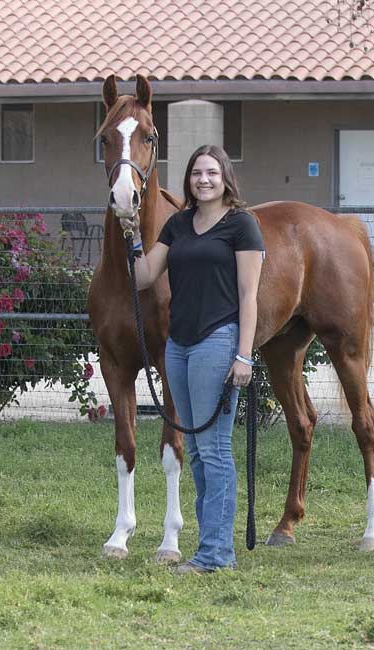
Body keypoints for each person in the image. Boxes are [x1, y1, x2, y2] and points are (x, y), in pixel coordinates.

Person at [120, 144, 264, 574]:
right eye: (197, 173)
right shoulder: (179, 224)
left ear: (226, 179)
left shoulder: (242, 226)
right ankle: (211, 547)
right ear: (188, 179)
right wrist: (130, 235)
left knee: (215, 449)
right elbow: (145, 276)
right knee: (199, 453)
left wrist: (244, 355)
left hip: (217, 342)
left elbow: (248, 296)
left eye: (212, 173)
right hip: (178, 347)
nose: (203, 179)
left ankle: (216, 554)